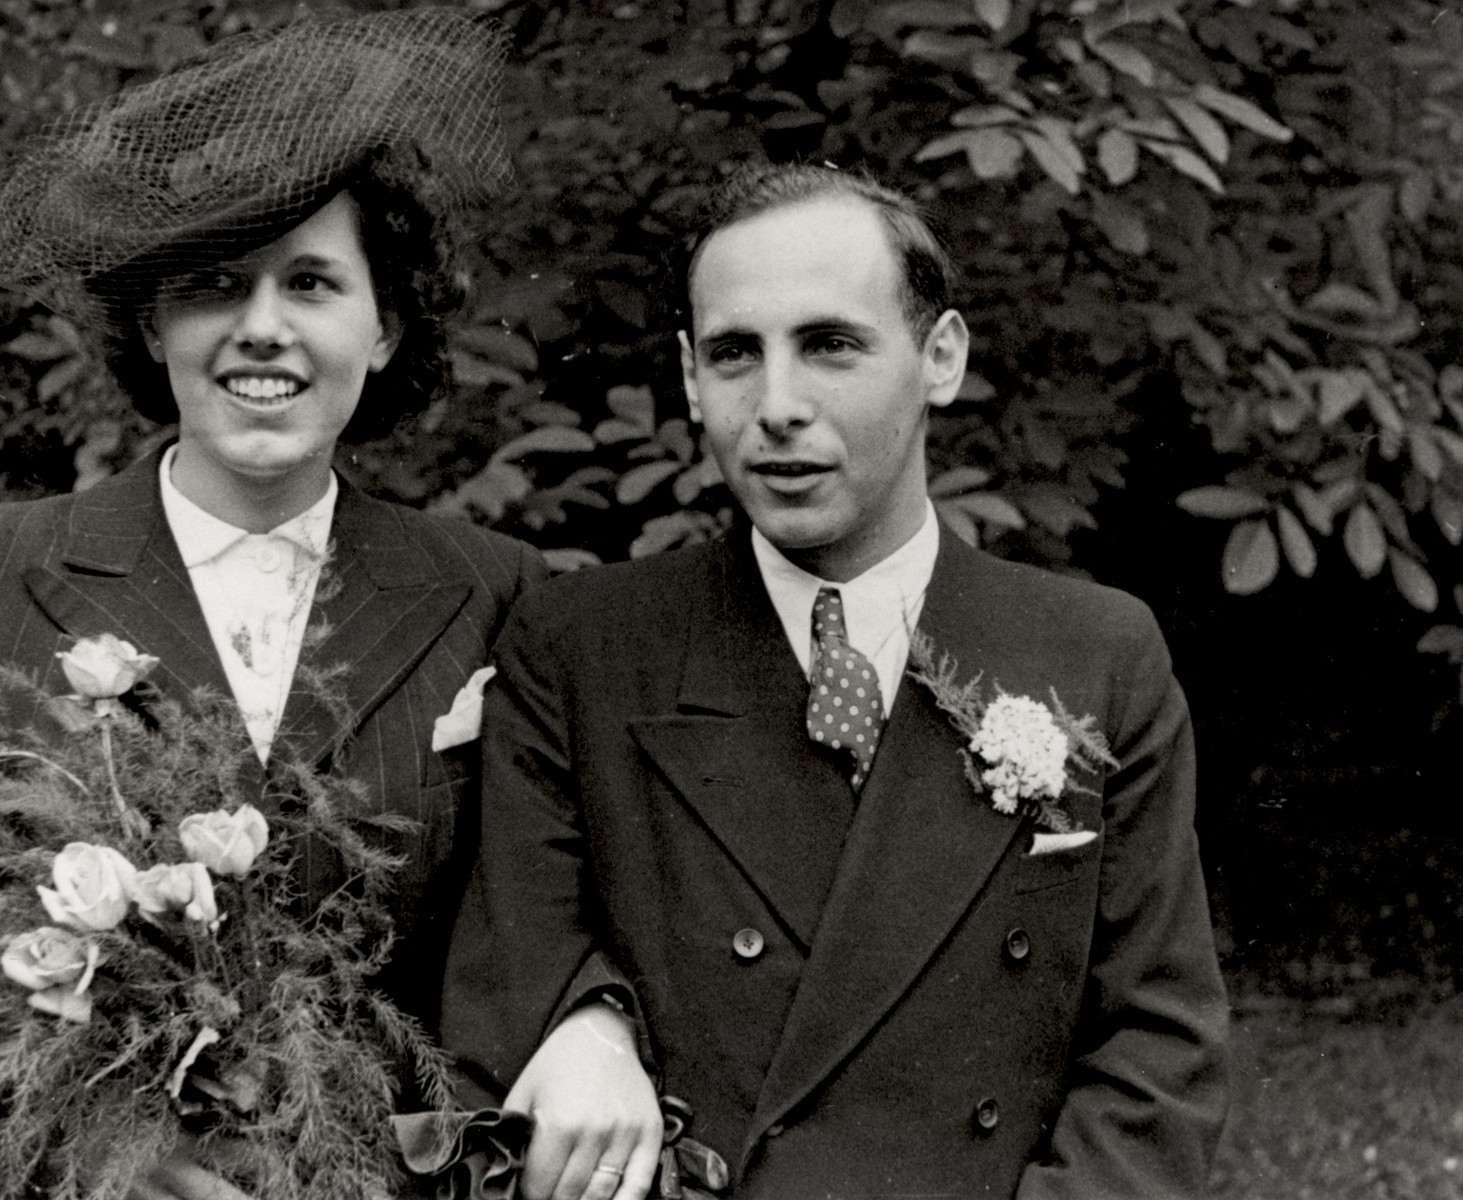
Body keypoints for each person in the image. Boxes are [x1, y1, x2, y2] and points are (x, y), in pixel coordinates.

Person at [441, 162, 1232, 1200]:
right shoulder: (582, 648)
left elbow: (1158, 1054)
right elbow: (515, 964)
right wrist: (588, 1019)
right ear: (687, 378)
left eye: (830, 346)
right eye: (734, 355)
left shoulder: (1094, 652)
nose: (777, 407)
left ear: (939, 357)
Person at [0, 10, 542, 1196]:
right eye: (217, 283)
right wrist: (108, 1152)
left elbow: (530, 937)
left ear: (382, 328)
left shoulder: (498, 593)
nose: (263, 327)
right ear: (152, 319)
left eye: (312, 282)